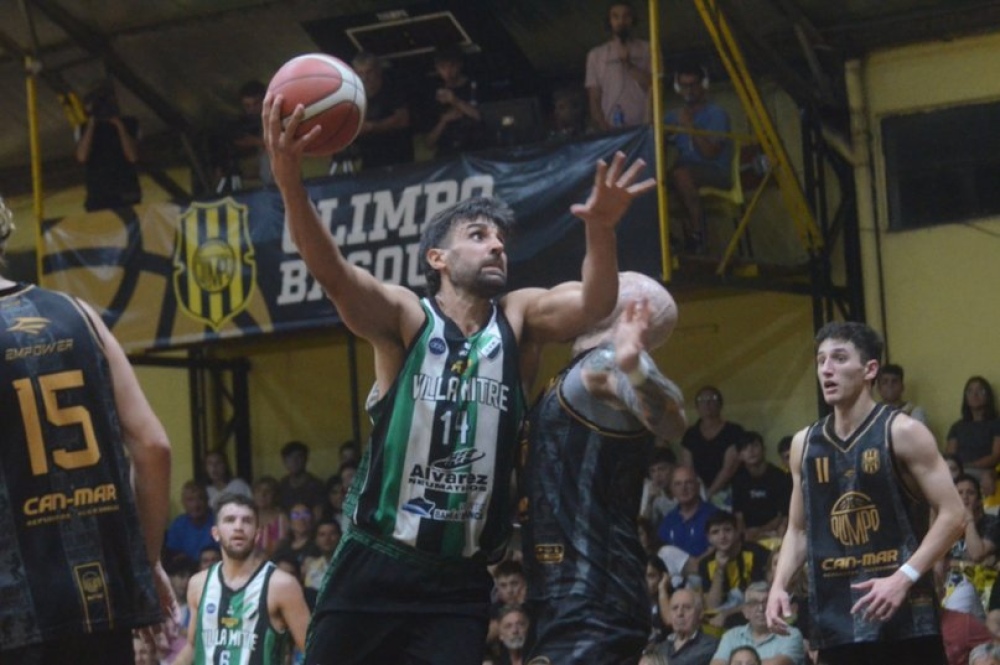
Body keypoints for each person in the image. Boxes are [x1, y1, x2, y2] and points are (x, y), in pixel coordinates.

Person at [262, 82, 655, 664]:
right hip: (376, 562)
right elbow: (335, 274)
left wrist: (600, 230)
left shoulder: (517, 319)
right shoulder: (405, 318)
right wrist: (290, 180)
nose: (497, 246)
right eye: (478, 235)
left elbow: (595, 305)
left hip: (459, 578)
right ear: (437, 259)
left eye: (501, 239)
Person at [0, 194, 173, 661]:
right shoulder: (79, 313)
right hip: (101, 599)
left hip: (14, 611)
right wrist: (147, 563)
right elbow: (154, 446)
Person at [766, 321, 965, 665]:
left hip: (905, 618)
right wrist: (778, 586)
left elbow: (955, 515)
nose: (826, 369)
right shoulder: (804, 444)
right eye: (820, 360)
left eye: (839, 358)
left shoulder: (904, 432)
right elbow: (798, 529)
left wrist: (904, 577)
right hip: (836, 619)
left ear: (869, 369)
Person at [521, 273, 687, 664]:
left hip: (593, 594)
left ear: (626, 309)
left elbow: (673, 419)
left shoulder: (611, 362)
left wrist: (634, 367)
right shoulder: (571, 373)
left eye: (601, 287)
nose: (581, 290)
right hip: (564, 593)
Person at [176, 494, 310, 665]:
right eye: (230, 520)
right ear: (215, 533)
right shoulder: (198, 584)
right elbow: (193, 647)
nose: (238, 527)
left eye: (246, 521)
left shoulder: (282, 585)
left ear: (257, 534)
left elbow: (315, 652)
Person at [663, 61, 733, 255]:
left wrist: (690, 126)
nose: (689, 90)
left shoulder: (717, 114)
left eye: (693, 85)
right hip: (684, 171)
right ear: (677, 87)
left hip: (715, 170)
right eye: (684, 85)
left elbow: (710, 153)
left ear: (704, 85)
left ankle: (698, 236)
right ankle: (669, 239)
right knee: (654, 181)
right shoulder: (672, 116)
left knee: (681, 175)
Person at [74, 79, 141, 211]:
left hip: (126, 192)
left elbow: (133, 156)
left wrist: (119, 126)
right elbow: (82, 157)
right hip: (98, 196)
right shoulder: (84, 129)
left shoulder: (130, 123)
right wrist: (92, 123)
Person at [585, 1, 652, 131]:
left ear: (633, 20)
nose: (621, 21)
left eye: (626, 16)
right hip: (611, 129)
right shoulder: (596, 55)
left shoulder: (648, 49)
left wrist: (629, 66)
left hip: (643, 127)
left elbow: (654, 85)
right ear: (609, 21)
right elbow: (594, 97)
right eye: (615, 17)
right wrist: (604, 127)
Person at [698, 512, 771, 629]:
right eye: (715, 532)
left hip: (756, 610)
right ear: (709, 538)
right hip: (722, 615)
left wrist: (726, 614)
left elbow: (761, 597)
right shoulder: (705, 564)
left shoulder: (756, 553)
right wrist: (720, 569)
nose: (722, 536)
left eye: (727, 530)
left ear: (737, 532)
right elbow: (712, 605)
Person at [710, 582, 805, 665]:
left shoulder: (790, 634)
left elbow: (779, 664)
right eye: (754, 603)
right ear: (745, 611)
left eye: (766, 602)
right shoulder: (731, 636)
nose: (761, 608)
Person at [680, 386, 746, 505]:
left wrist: (708, 494)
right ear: (697, 407)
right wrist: (697, 493)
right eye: (702, 400)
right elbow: (688, 467)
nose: (707, 403)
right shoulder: (690, 434)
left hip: (729, 492)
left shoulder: (733, 431)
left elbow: (729, 468)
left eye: (712, 399)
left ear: (720, 404)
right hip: (698, 492)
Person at [350, 51, 413, 170]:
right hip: (369, 158)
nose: (365, 78)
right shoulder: (353, 93)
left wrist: (372, 126)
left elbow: (403, 119)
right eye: (360, 73)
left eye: (369, 72)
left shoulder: (393, 87)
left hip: (398, 155)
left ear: (378, 70)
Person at [658, 465, 718, 584]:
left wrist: (695, 566)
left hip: (706, 578)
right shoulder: (668, 520)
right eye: (678, 484)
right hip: (674, 583)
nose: (683, 488)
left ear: (697, 486)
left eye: (688, 483)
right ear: (672, 490)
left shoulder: (714, 515)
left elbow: (718, 548)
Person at [424, 45, 485, 158]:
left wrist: (454, 100)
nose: (448, 72)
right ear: (437, 69)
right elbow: (429, 143)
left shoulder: (473, 86)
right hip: (447, 156)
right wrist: (444, 120)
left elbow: (481, 116)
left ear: (459, 65)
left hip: (475, 152)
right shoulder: (433, 94)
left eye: (452, 66)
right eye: (443, 67)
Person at [945, 377, 1000, 500]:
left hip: (984, 471)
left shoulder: (996, 424)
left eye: (980, 390)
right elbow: (950, 456)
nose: (974, 395)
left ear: (988, 396)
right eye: (970, 391)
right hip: (958, 471)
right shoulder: (957, 426)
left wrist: (971, 465)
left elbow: (996, 455)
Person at [730, 432, 792, 542]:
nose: (751, 451)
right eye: (745, 448)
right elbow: (738, 515)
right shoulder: (738, 480)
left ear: (764, 449)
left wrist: (759, 532)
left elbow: (782, 516)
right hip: (747, 534)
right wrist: (744, 534)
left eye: (755, 446)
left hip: (774, 532)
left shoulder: (780, 477)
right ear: (739, 455)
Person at [655, 587, 720, 665]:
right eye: (675, 608)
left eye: (687, 608)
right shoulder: (660, 649)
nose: (679, 613)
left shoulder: (712, 646)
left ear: (699, 613)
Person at [951, 473, 999, 565]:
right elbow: (936, 560)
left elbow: (977, 554)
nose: (965, 497)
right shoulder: (947, 524)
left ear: (979, 501)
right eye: (959, 493)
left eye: (970, 493)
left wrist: (968, 518)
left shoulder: (993, 523)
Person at [166, 481, 217, 563]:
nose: (195, 505)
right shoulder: (177, 526)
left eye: (200, 498)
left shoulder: (218, 522)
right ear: (183, 503)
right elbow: (174, 557)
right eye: (190, 500)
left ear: (207, 500)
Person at [275, 440, 326, 516]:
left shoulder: (317, 485)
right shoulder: (282, 485)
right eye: (290, 457)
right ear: (284, 461)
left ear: (306, 459)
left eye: (299, 456)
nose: (294, 461)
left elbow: (318, 514)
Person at [642, 446, 679, 528]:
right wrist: (650, 501)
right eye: (652, 471)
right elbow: (644, 527)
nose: (657, 475)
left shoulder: (687, 485)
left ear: (674, 468)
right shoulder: (650, 488)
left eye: (662, 469)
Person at [252, 475, 289, 558]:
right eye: (258, 491)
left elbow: (279, 547)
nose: (262, 494)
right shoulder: (249, 517)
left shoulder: (281, 518)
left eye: (268, 491)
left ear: (275, 495)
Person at [302, 519, 342, 591]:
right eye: (322, 535)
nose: (327, 539)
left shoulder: (349, 564)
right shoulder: (311, 567)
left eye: (332, 533)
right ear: (316, 540)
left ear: (340, 537)